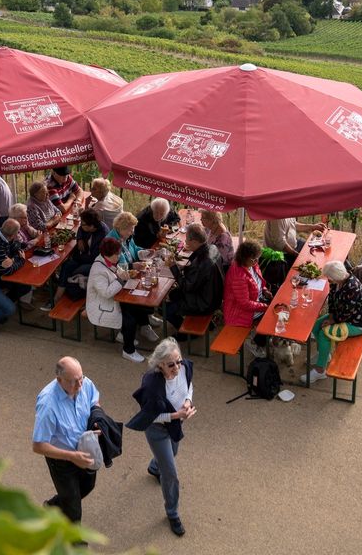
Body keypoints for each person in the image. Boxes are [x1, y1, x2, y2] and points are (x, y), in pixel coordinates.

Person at [126, 339, 196, 537]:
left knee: (172, 452)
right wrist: (177, 415)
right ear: (160, 365)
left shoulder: (184, 368)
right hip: (157, 429)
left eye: (178, 361)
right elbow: (150, 416)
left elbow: (189, 386)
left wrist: (188, 402)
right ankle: (172, 513)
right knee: (171, 473)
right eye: (171, 364)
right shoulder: (151, 385)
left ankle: (154, 467)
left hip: (175, 424)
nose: (177, 367)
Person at [33, 357, 100, 527]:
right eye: (73, 382)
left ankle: (52, 506)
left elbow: (95, 402)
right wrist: (71, 456)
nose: (79, 386)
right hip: (61, 461)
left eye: (81, 379)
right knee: (73, 511)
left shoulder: (84, 383)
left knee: (88, 486)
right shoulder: (48, 405)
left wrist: (97, 420)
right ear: (59, 380)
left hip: (85, 451)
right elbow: (38, 445)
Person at [86, 237, 159, 362]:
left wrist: (126, 273)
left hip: (113, 298)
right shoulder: (98, 270)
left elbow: (116, 272)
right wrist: (121, 279)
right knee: (130, 317)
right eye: (117, 254)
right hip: (101, 306)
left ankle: (125, 335)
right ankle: (128, 350)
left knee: (136, 305)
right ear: (109, 254)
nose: (119, 256)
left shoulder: (107, 260)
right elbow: (106, 293)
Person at [303, 260, 362, 386]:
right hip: (342, 316)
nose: (327, 280)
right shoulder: (338, 282)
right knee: (316, 326)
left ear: (335, 277)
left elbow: (347, 313)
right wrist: (330, 316)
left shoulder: (352, 288)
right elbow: (332, 299)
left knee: (324, 334)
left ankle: (320, 370)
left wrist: (332, 321)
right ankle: (324, 355)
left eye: (328, 277)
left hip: (357, 323)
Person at [47, 208, 110, 312]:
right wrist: (80, 239)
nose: (81, 225)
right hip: (83, 257)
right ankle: (56, 298)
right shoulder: (87, 227)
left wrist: (77, 257)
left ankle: (73, 298)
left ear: (92, 226)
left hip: (94, 264)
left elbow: (94, 257)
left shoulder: (103, 234)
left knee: (74, 272)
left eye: (84, 224)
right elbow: (81, 229)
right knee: (67, 265)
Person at [165, 223, 224, 332]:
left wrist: (173, 267)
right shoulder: (212, 248)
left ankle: (188, 333)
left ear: (195, 242)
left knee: (165, 309)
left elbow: (186, 287)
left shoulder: (202, 263)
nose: (185, 243)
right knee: (173, 294)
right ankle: (206, 325)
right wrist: (184, 268)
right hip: (214, 297)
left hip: (204, 304)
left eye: (187, 240)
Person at [223, 240, 269, 327]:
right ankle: (260, 339)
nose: (257, 261)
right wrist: (266, 307)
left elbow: (257, 282)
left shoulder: (251, 265)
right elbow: (245, 304)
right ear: (244, 258)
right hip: (240, 314)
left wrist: (264, 290)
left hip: (256, 304)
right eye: (254, 259)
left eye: (258, 258)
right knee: (274, 318)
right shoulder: (238, 276)